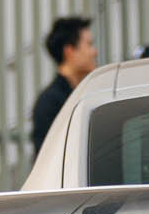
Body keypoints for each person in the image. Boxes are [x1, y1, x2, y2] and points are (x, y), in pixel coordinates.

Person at [31, 14, 99, 159]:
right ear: (69, 51)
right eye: (89, 44)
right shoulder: (50, 103)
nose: (95, 52)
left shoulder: (84, 93)